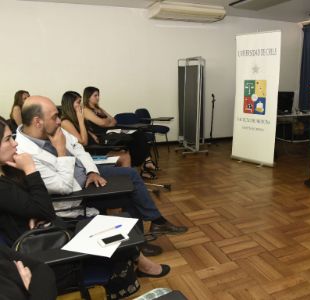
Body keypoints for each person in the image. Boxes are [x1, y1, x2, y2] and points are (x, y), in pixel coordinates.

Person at [0, 116, 171, 297]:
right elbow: (44, 205)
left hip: (49, 229)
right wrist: (31, 170)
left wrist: (36, 211)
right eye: (7, 139)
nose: (14, 143)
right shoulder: (9, 179)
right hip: (44, 248)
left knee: (119, 224)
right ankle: (136, 270)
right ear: (36, 121)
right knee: (114, 230)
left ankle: (139, 266)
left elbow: (37, 204)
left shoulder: (9, 169)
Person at [15, 96, 187, 248]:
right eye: (54, 117)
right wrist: (61, 151)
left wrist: (92, 171)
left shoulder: (52, 129)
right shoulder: (24, 153)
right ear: (38, 122)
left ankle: (148, 231)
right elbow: (63, 187)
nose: (59, 121)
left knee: (131, 176)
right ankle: (140, 242)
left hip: (88, 177)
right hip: (75, 192)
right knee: (129, 191)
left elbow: (79, 148)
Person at [82, 86, 157, 179]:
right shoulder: (86, 110)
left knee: (139, 133)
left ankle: (146, 161)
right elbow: (102, 123)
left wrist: (107, 123)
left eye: (98, 95)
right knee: (131, 139)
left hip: (112, 132)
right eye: (95, 95)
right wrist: (107, 123)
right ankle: (143, 165)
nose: (98, 97)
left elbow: (114, 121)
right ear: (88, 96)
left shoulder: (99, 109)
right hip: (103, 137)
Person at [61, 91, 131, 167]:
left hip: (96, 149)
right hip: (89, 154)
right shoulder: (65, 122)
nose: (80, 105)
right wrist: (81, 120)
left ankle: (120, 176)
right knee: (124, 157)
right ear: (70, 104)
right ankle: (125, 177)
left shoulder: (75, 119)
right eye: (78, 102)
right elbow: (84, 142)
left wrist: (92, 134)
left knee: (124, 151)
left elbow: (89, 134)